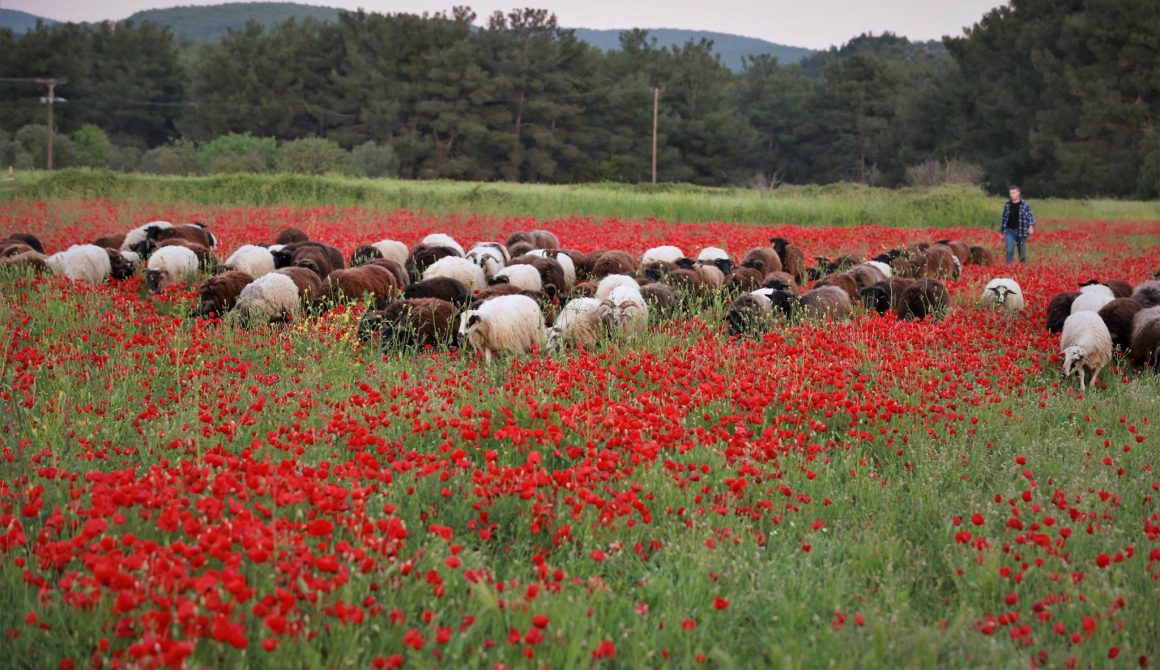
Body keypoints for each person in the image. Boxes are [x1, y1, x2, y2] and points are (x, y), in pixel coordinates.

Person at [999, 185, 1035, 264]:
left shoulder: (1025, 205)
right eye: (1011, 193)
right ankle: (1009, 266)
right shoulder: (1007, 205)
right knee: (1009, 249)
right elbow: (1004, 218)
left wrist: (1031, 226)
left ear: (1018, 193)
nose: (1012, 195)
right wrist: (1002, 231)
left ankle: (1022, 267)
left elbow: (1030, 217)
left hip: (1022, 231)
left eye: (1014, 193)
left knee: (1022, 252)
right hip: (1009, 230)